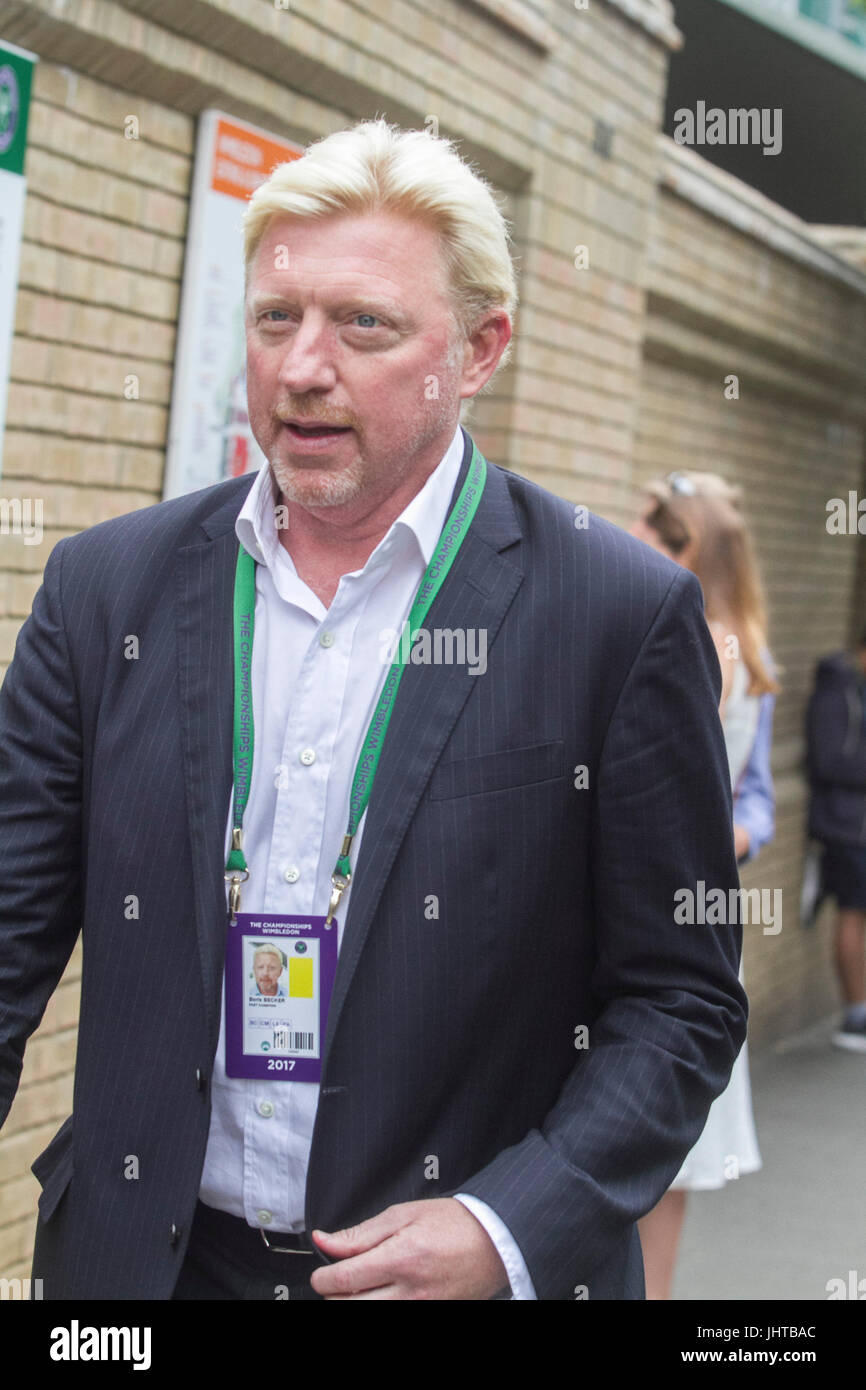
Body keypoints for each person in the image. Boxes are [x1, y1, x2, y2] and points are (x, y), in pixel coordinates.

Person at [0, 119, 746, 1302]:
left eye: (364, 326)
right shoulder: (106, 589)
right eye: (275, 319)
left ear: (479, 348)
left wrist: (508, 1225)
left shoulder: (616, 614)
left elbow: (679, 999)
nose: (302, 366)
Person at [630, 469, 779, 1300]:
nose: (625, 542)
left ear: (680, 544)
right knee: (671, 1155)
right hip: (703, 912)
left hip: (667, 917)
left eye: (642, 529)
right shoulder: (737, 640)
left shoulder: (688, 639)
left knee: (652, 1137)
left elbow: (742, 792)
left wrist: (726, 837)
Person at [805, 631, 866, 1052]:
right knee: (851, 911)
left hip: (858, 825)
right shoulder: (836, 691)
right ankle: (855, 1013)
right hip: (844, 829)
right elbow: (826, 760)